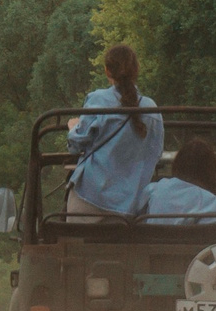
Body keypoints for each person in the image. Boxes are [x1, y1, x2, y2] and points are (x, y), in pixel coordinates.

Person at [66, 44, 163, 219]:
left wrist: (73, 127)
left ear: (107, 71)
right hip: (130, 207)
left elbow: (75, 145)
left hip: (89, 197)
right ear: (136, 70)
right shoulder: (151, 109)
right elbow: (155, 153)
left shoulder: (98, 100)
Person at [143, 136, 216, 221]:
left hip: (153, 229)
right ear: (210, 171)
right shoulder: (210, 202)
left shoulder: (155, 189)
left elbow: (135, 215)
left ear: (177, 164)